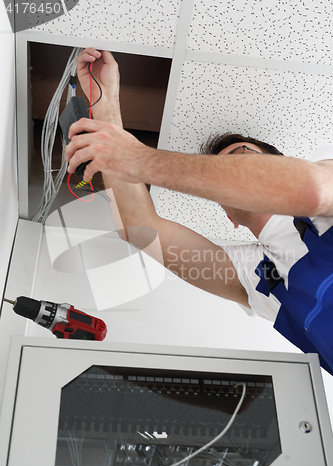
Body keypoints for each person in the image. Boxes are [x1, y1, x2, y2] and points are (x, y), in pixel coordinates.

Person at [66, 48, 333, 373]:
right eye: (222, 176)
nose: (235, 168)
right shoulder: (261, 277)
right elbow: (140, 227)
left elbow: (314, 187)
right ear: (229, 215)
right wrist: (105, 104)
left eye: (246, 154)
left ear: (284, 164)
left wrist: (136, 157)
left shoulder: (322, 196)